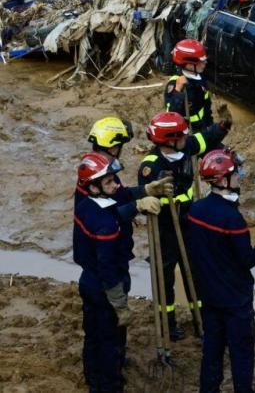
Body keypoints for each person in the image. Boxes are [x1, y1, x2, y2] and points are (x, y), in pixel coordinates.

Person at [186, 148, 255, 393]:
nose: (239, 176)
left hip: (208, 295)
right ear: (223, 180)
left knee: (212, 350)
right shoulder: (232, 219)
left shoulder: (196, 210)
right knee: (241, 354)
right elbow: (246, 260)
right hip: (235, 300)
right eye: (235, 173)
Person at [138, 111, 231, 340]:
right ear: (169, 139)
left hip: (188, 220)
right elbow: (144, 198)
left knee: (195, 271)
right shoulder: (150, 166)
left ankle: (201, 319)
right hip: (164, 226)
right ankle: (167, 324)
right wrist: (158, 193)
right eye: (181, 136)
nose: (185, 139)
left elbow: (203, 139)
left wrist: (222, 126)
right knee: (165, 276)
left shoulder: (185, 146)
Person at [73, 152, 161, 392]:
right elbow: (108, 267)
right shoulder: (106, 225)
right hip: (106, 285)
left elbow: (117, 201)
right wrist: (120, 304)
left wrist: (143, 192)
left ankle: (93, 380)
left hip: (88, 281)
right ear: (93, 186)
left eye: (114, 179)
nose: (116, 184)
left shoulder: (85, 205)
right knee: (111, 342)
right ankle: (111, 384)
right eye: (109, 181)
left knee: (93, 336)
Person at [165, 39, 213, 133]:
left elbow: (206, 107)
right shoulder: (175, 84)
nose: (205, 63)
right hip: (189, 134)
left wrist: (210, 127)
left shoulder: (201, 77)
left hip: (203, 128)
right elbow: (171, 116)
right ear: (189, 65)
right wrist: (177, 92)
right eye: (201, 61)